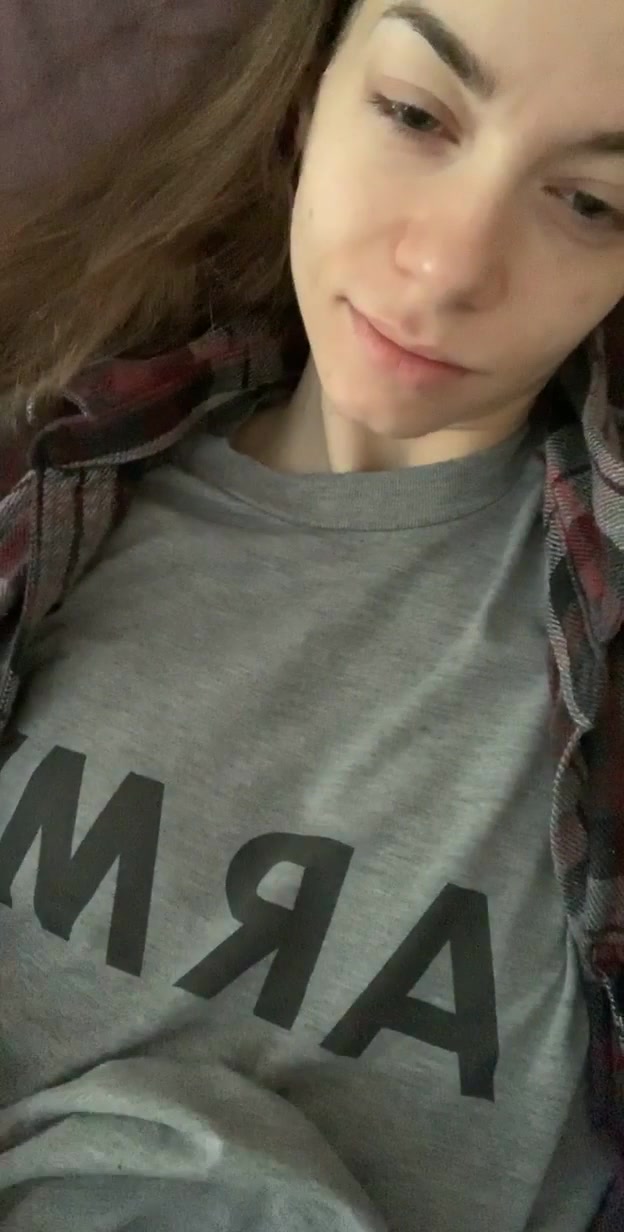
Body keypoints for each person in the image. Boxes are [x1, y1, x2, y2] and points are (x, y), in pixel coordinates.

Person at [1, 0, 624, 1227]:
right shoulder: (43, 472)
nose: (448, 267)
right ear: (307, 97)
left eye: (592, 203)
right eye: (414, 114)